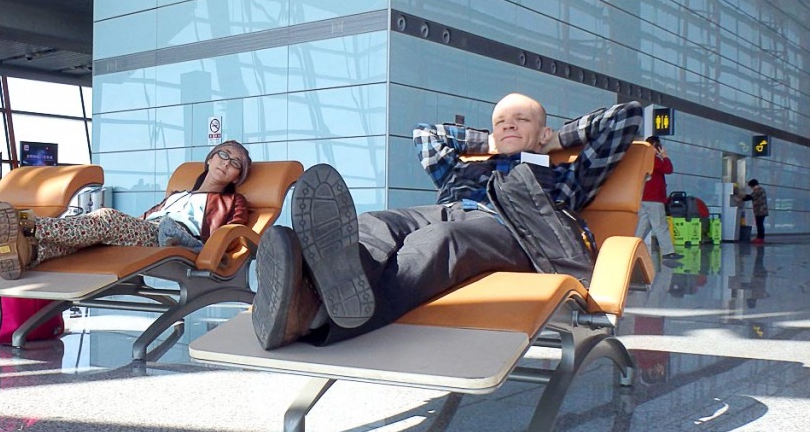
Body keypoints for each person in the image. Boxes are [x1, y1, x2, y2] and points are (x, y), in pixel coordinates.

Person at [252, 94, 643, 350]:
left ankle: (315, 315)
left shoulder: (565, 174)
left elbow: (626, 118)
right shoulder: (462, 169)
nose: (507, 125)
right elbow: (426, 134)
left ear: (543, 132)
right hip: (449, 205)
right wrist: (488, 144)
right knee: (377, 223)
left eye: (521, 120)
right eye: (500, 121)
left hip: (513, 229)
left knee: (442, 240)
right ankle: (314, 288)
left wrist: (553, 142)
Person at [0, 140, 252, 280]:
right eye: (224, 155)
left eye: (236, 163)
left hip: (173, 241)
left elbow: (234, 234)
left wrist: (215, 253)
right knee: (92, 240)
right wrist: (120, 230)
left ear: (236, 177)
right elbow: (144, 220)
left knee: (106, 217)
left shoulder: (234, 202)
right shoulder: (178, 195)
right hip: (149, 231)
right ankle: (29, 252)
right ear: (210, 159)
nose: (227, 163)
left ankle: (29, 226)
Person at [634, 136, 682, 261]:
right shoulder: (653, 159)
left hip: (644, 198)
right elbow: (668, 169)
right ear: (655, 146)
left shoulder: (642, 159)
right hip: (654, 199)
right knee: (660, 225)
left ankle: (632, 248)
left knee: (643, 226)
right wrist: (665, 156)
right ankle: (668, 252)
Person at [742, 179, 768, 244]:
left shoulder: (758, 191)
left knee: (760, 224)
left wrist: (740, 197)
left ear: (753, 185)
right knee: (759, 224)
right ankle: (759, 237)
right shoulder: (760, 190)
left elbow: (750, 197)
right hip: (760, 210)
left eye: (751, 187)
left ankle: (760, 238)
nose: (751, 188)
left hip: (760, 211)